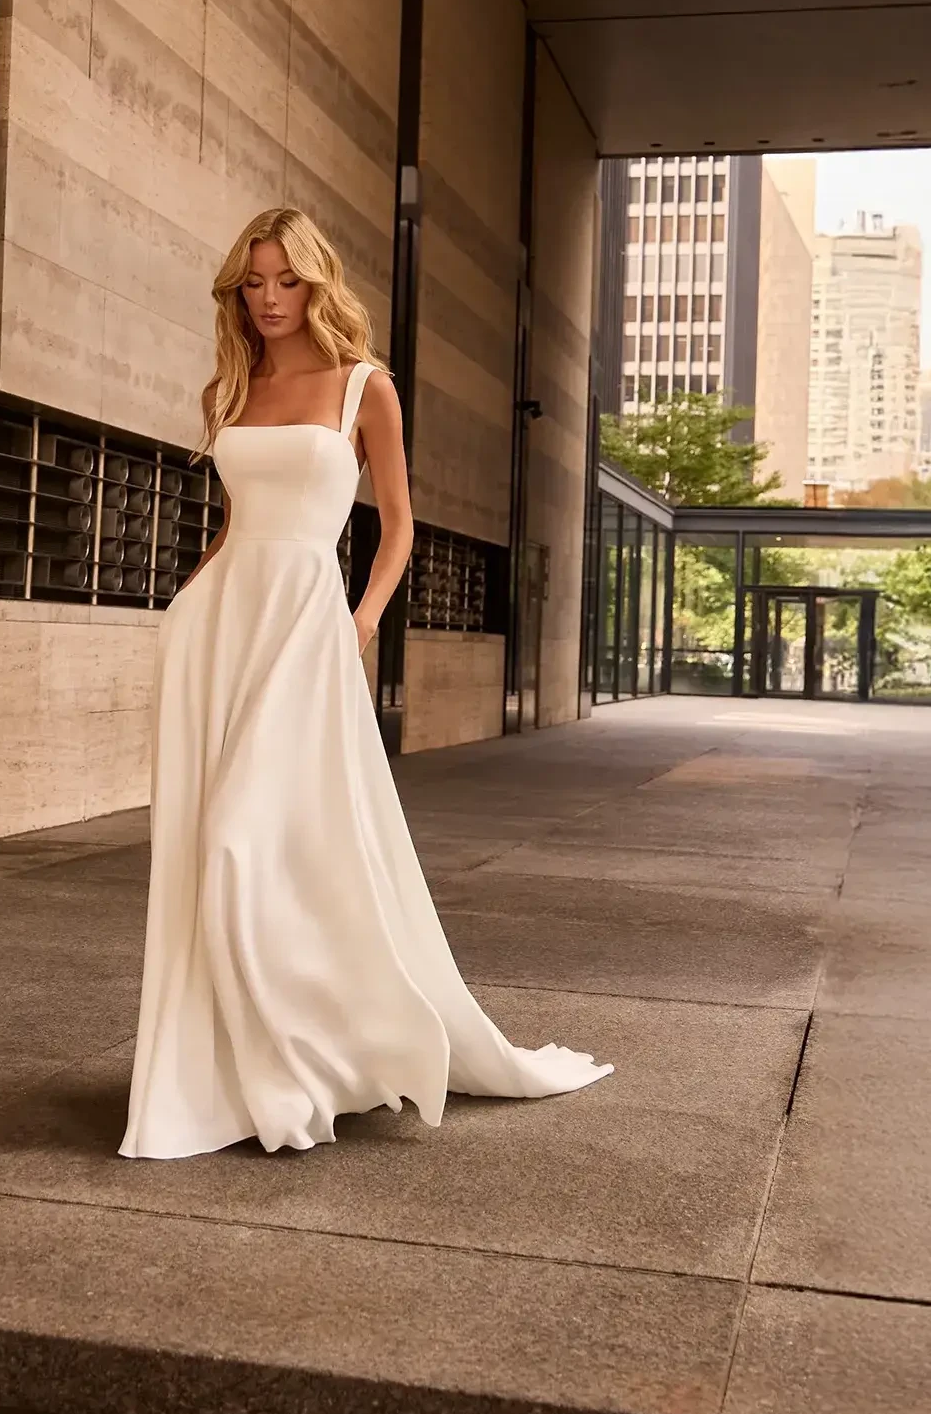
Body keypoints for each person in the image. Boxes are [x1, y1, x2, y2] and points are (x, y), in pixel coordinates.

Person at [119, 208, 611, 1159]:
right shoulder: (230, 387)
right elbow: (233, 525)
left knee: (243, 839)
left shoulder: (363, 388)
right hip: (219, 625)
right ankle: (226, 1065)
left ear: (316, 283)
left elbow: (397, 527)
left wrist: (362, 621)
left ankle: (309, 1051)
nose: (267, 299)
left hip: (309, 623)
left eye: (285, 281)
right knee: (221, 840)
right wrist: (186, 603)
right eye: (251, 282)